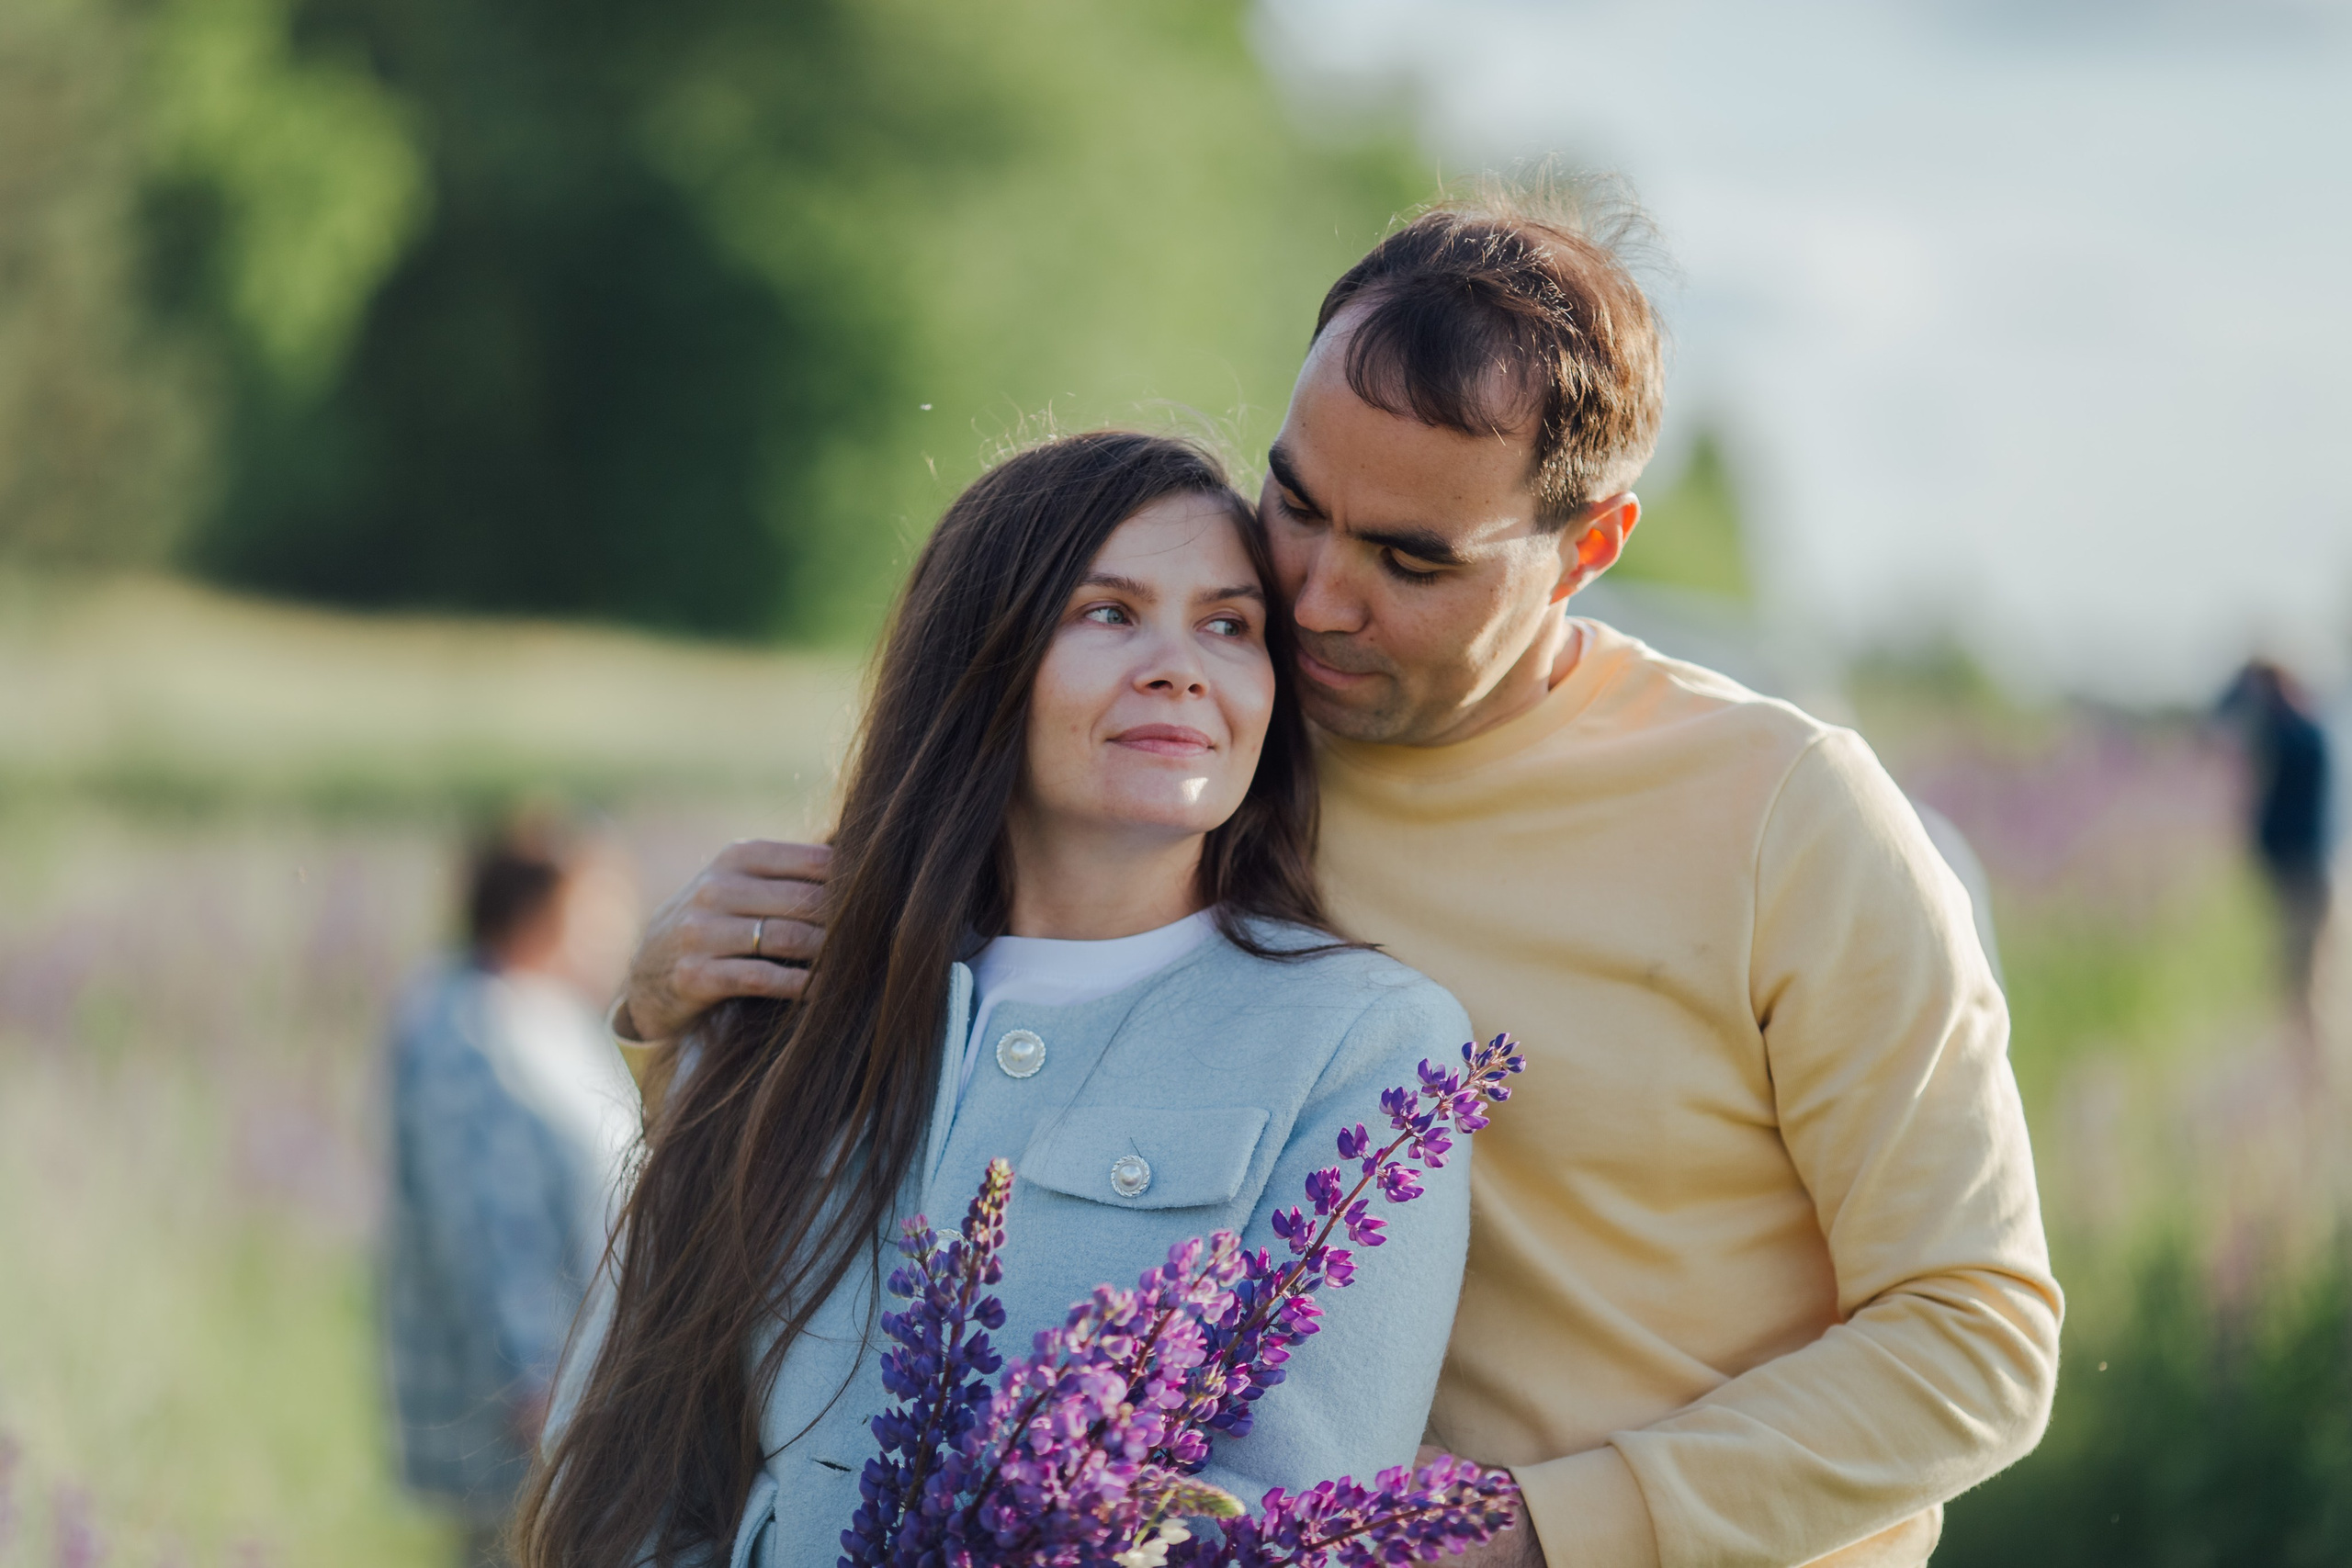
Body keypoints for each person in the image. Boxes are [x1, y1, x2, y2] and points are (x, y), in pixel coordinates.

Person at [613, 188, 2063, 1568]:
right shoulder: (1225, 739)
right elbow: (936, 1115)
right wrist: (677, 1012)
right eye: (1296, 504)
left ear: (1588, 549)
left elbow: (1979, 1334)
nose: (1315, 595)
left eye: (1410, 559)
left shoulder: (1788, 816)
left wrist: (1537, 1530)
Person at [518, 434, 1476, 1568]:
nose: (1181, 666)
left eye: (1229, 624)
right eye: (1108, 612)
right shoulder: (788, 992)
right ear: (981, 660)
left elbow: (1283, 1521)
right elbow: (621, 1464)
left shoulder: (1366, 1045)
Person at [384, 818, 643, 1567]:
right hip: (529, 1421)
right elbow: (489, 1228)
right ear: (545, 912)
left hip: (569, 1402)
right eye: (602, 910)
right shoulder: (473, 1036)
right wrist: (539, 1390)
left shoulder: (537, 1016)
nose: (620, 934)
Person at [2219, 658, 2335, 1033]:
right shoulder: (2301, 731)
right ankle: (2306, 1064)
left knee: (2302, 978)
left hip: (2303, 874)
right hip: (2302, 873)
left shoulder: (2297, 735)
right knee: (2298, 974)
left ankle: (2310, 1069)